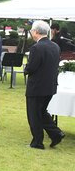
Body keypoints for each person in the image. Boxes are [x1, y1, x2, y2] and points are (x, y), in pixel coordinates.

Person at [24, 20, 65, 149]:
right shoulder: (55, 46)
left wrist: (26, 69)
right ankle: (56, 133)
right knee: (42, 112)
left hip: (37, 86)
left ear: (36, 32)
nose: (31, 32)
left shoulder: (36, 47)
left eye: (31, 30)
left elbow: (32, 67)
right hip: (50, 86)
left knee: (34, 114)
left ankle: (37, 142)